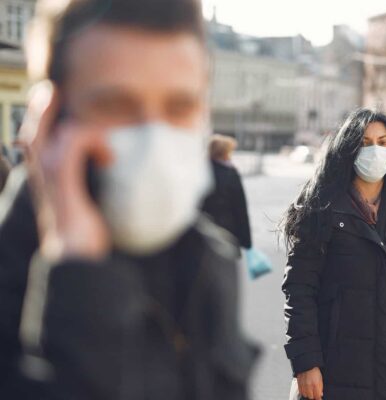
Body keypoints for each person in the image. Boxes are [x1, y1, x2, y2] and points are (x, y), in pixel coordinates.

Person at [0, 0, 257, 399]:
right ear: (52, 120)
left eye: (180, 106)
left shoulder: (208, 257)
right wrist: (79, 280)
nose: (154, 137)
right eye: (116, 105)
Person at [281, 109, 386, 400]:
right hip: (339, 371)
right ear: (348, 148)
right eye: (365, 142)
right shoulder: (319, 207)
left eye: (384, 142)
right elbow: (299, 290)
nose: (375, 150)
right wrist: (306, 362)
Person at [201, 134, 252, 256]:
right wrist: (246, 242)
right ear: (224, 152)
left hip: (201, 232)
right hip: (227, 232)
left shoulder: (199, 171)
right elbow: (240, 208)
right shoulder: (230, 173)